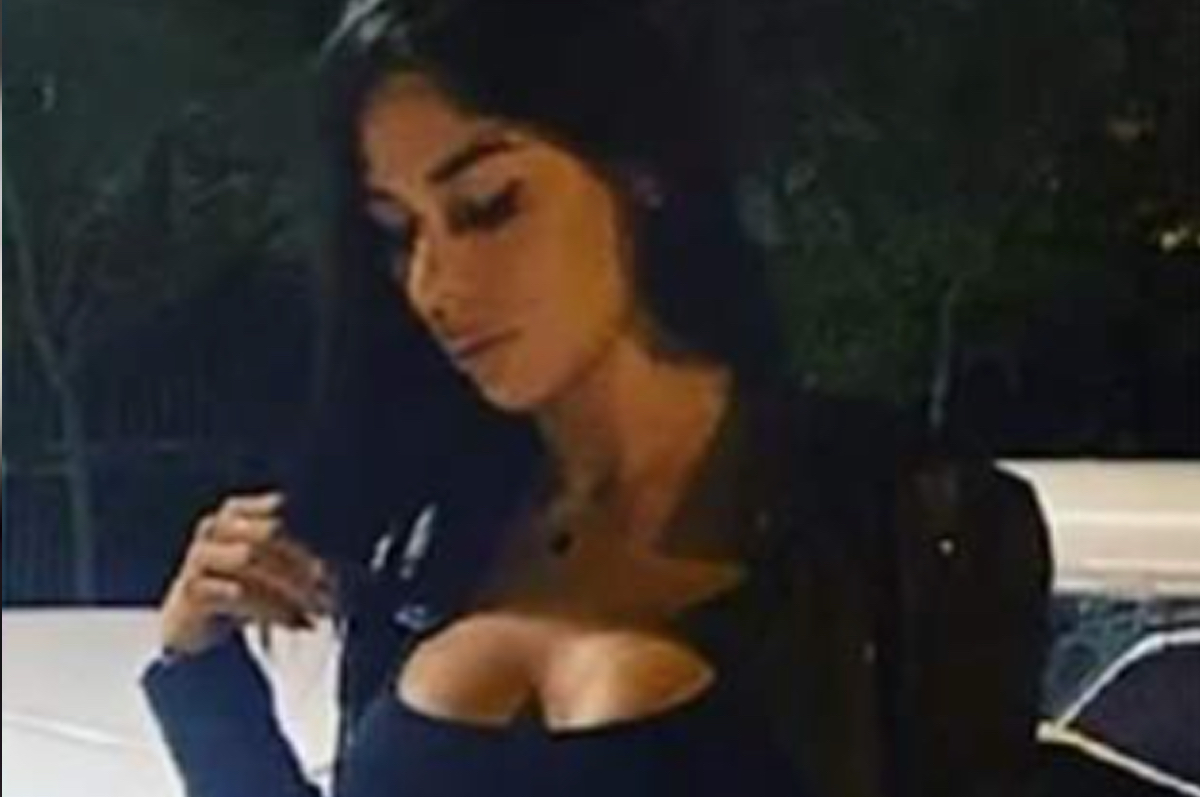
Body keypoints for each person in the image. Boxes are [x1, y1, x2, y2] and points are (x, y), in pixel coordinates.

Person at [141, 1, 1053, 796]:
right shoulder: (429, 534)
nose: (434, 286)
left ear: (639, 164)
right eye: (397, 232)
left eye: (488, 205)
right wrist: (201, 672)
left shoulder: (906, 521)